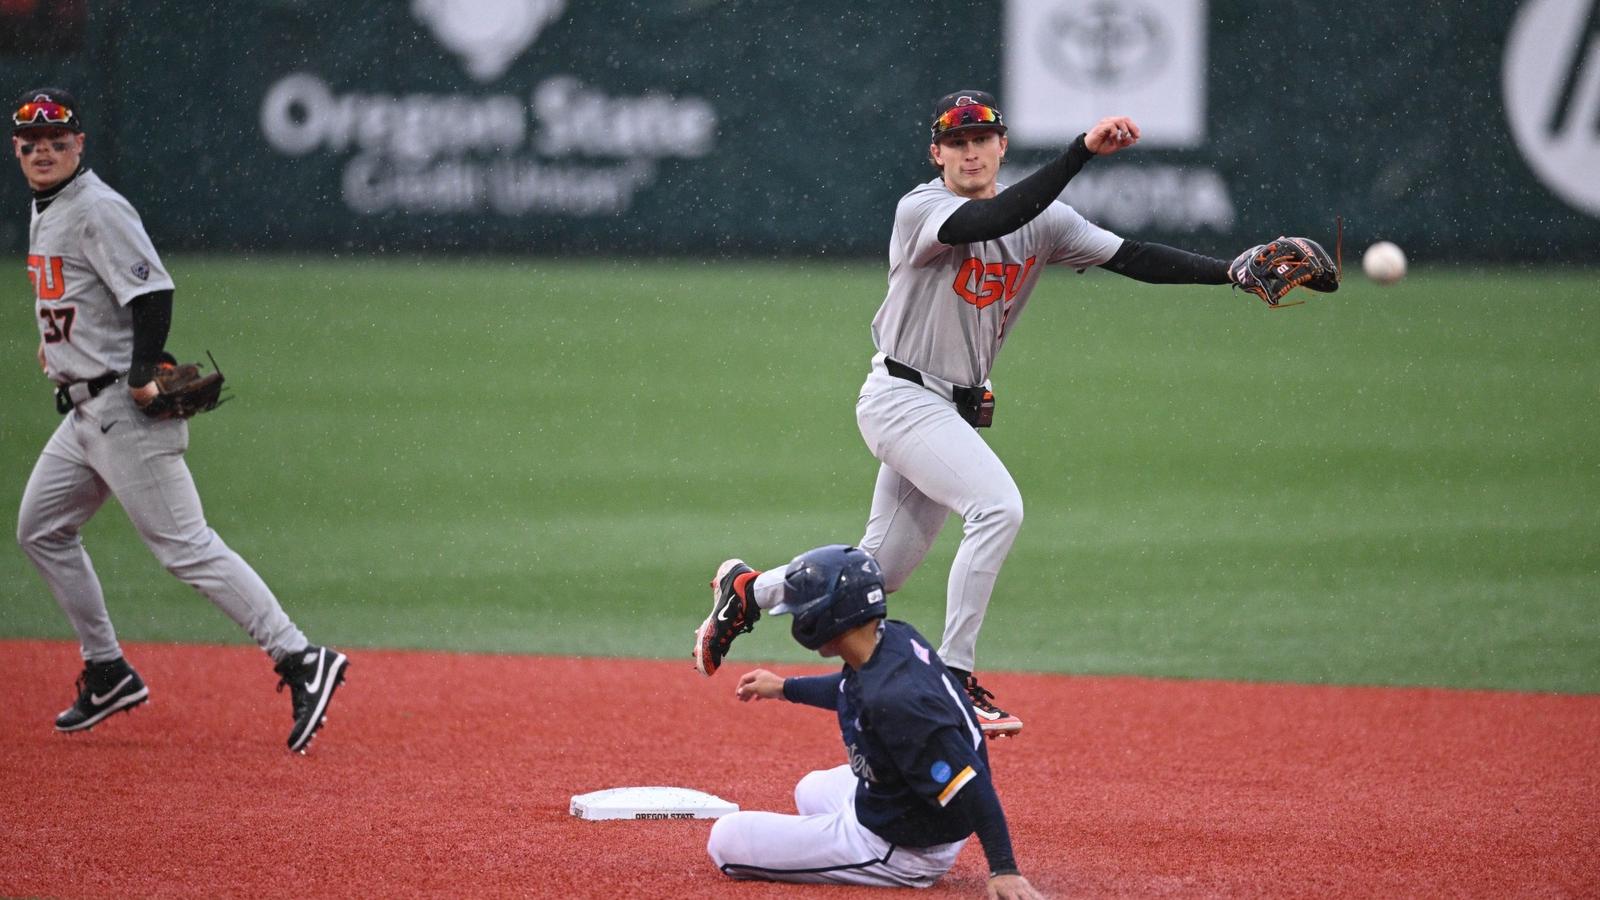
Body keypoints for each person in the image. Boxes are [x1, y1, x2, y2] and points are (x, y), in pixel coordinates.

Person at [697, 90, 1287, 735]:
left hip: (948, 409)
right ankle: (954, 677)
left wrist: (1231, 271)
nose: (970, 152)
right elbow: (990, 219)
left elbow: (1133, 257)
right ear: (937, 153)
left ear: (1002, 145)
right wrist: (1080, 153)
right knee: (997, 507)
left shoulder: (1047, 221)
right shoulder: (921, 208)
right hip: (899, 397)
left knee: (879, 571)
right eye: (957, 142)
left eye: (982, 139)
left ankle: (751, 591)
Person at [12, 87, 348, 753]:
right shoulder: (48, 205)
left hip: (121, 411)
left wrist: (141, 371)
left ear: (80, 144)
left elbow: (153, 291)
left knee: (186, 547)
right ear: (16, 150)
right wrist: (61, 348)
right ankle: (107, 670)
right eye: (32, 144)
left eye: (58, 141)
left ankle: (299, 656)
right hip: (82, 415)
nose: (44, 152)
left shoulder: (96, 207)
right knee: (41, 531)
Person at [706, 544, 1043, 899]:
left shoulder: (898, 703)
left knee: (727, 840)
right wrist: (784, 687)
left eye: (802, 610)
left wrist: (1003, 868)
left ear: (830, 614)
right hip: (912, 805)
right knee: (810, 788)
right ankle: (826, 839)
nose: (798, 619)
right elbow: (848, 687)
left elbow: (970, 782)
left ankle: (865, 855)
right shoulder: (890, 639)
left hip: (903, 846)